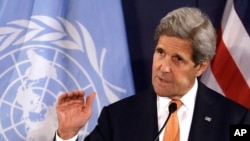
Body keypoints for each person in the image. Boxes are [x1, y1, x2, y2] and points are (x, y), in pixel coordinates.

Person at [54, 7, 250, 141]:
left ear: (200, 66)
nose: (164, 67)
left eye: (178, 59)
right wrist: (67, 133)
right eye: (161, 52)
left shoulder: (237, 119)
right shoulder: (117, 118)